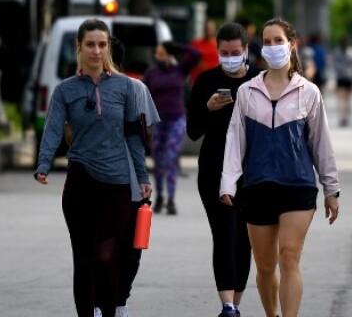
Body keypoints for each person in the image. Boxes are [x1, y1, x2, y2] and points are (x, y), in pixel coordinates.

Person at [221, 18, 340, 317]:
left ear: (292, 45)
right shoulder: (248, 92)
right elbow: (235, 141)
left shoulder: (308, 92)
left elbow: (321, 143)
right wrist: (228, 182)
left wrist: (331, 188)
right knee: (264, 266)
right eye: (267, 41)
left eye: (278, 40)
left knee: (289, 257)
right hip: (258, 186)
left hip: (297, 185)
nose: (272, 46)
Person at [34, 19, 152, 317]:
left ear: (108, 47)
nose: (96, 51)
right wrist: (43, 163)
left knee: (108, 254)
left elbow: (133, 136)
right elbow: (52, 129)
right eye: (90, 44)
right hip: (80, 181)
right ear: (79, 48)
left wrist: (142, 176)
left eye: (102, 44)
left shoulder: (126, 87)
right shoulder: (65, 90)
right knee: (84, 259)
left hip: (116, 184)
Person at [187, 22, 262, 317]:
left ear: (245, 51)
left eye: (235, 52)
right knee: (225, 235)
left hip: (252, 173)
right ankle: (227, 305)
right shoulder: (206, 81)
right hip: (214, 173)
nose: (229, 57)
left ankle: (237, 303)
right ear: (217, 51)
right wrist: (208, 108)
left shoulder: (259, 80)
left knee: (245, 240)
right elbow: (192, 131)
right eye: (224, 52)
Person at [111, 38, 161, 317]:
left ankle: (112, 302)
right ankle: (116, 302)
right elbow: (148, 135)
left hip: (130, 183)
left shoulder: (136, 88)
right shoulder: (136, 88)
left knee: (125, 246)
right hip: (115, 184)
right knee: (127, 249)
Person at [142, 40, 202, 214]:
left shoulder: (179, 70)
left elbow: (197, 55)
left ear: (169, 55)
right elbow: (143, 95)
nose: (159, 57)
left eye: (162, 53)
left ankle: (171, 199)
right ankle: (160, 195)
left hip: (176, 120)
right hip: (157, 122)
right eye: (157, 54)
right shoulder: (151, 73)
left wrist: (177, 46)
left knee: (170, 158)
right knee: (158, 161)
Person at [330, 36, 352, 126]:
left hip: (349, 78)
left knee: (347, 99)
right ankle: (342, 116)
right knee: (341, 99)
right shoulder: (338, 52)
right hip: (341, 78)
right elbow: (334, 65)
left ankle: (346, 116)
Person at [190, 19, 221, 84]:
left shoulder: (220, 45)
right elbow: (190, 61)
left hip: (215, 81)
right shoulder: (195, 44)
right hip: (198, 80)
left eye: (210, 28)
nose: (208, 30)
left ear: (215, 29)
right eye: (207, 28)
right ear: (203, 29)